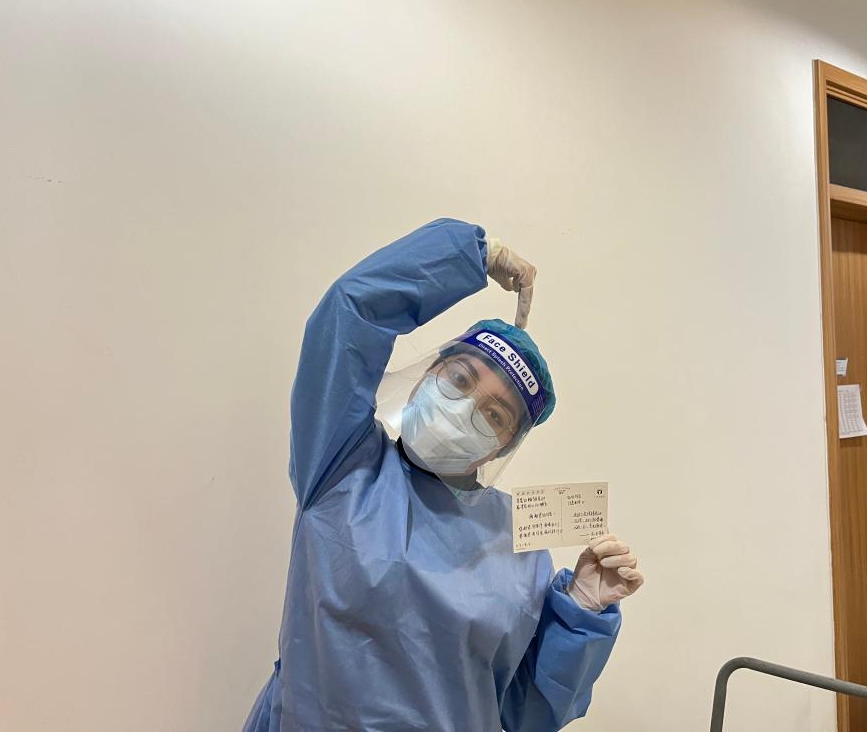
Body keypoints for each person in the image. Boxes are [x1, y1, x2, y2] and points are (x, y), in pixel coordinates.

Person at [244, 218, 643, 732]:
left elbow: (526, 714)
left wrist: (581, 611)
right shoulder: (342, 464)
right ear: (427, 375)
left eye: (495, 414)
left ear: (502, 446)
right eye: (459, 378)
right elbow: (348, 316)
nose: (464, 408)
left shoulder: (516, 543)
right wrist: (469, 256)